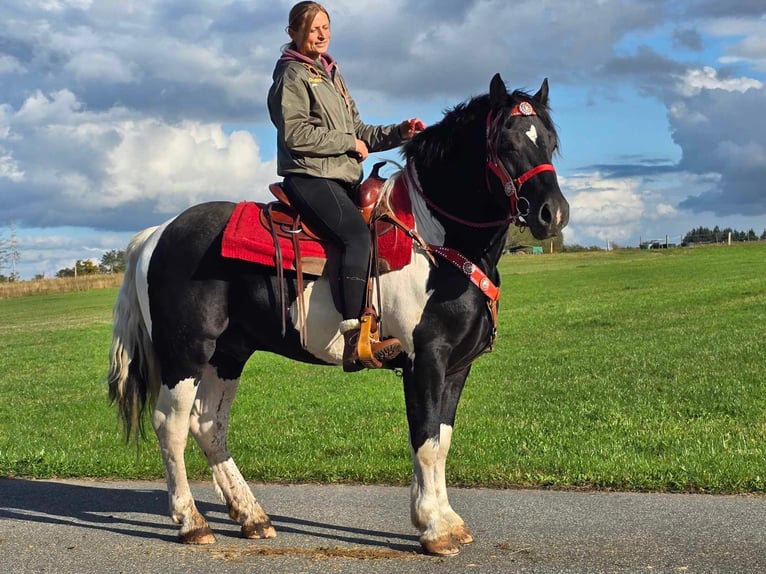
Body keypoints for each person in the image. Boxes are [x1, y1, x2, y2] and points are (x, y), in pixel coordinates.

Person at [268, 1, 425, 372]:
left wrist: (398, 133)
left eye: (326, 26)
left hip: (340, 177)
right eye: (312, 28)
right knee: (356, 236)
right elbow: (296, 134)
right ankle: (358, 339)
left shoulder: (331, 74)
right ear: (293, 33)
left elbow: (360, 131)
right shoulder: (292, 75)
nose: (321, 34)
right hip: (308, 175)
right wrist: (347, 144)